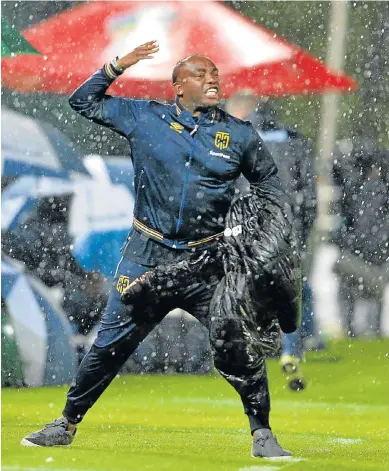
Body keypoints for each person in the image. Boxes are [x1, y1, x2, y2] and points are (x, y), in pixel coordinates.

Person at [22, 41, 293, 458]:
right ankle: (67, 422)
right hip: (146, 257)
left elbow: (269, 186)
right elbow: (83, 102)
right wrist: (115, 67)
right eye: (200, 74)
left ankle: (262, 434)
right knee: (110, 346)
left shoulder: (238, 134)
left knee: (236, 340)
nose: (211, 79)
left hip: (206, 262)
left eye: (214, 74)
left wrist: (258, 230)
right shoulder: (144, 116)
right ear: (178, 87)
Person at [226, 90, 319, 390]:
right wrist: (304, 226)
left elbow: (231, 185)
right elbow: (310, 193)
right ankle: (290, 349)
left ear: (246, 108)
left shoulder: (241, 137)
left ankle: (250, 348)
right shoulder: (294, 139)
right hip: (287, 221)